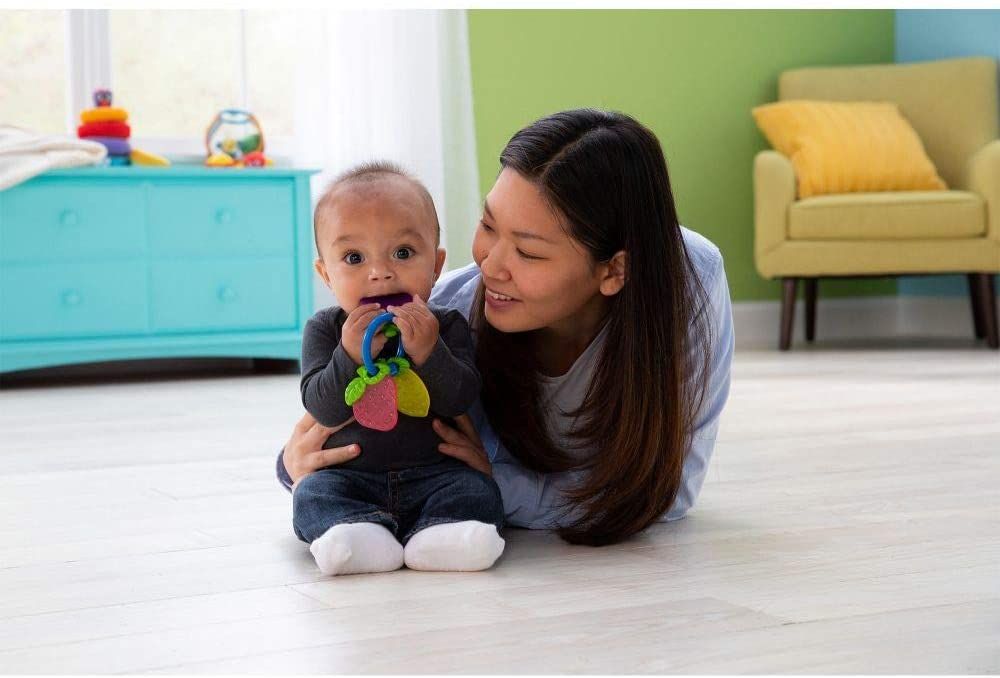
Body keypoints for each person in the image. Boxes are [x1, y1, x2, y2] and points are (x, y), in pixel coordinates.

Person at [278, 109, 734, 547]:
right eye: (488, 225)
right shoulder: (443, 314)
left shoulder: (690, 279)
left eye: (529, 252)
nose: (489, 266)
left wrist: (496, 485)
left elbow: (667, 493)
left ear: (614, 271)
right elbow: (370, 437)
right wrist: (293, 465)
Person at [290, 161, 505, 576]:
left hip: (436, 473)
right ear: (326, 275)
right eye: (353, 257)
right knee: (311, 494)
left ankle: (444, 537)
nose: (380, 272)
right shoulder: (324, 330)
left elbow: (460, 397)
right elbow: (322, 406)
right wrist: (349, 357)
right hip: (349, 478)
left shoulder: (446, 326)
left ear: (436, 265)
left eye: (403, 253)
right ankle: (356, 537)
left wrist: (428, 352)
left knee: (478, 490)